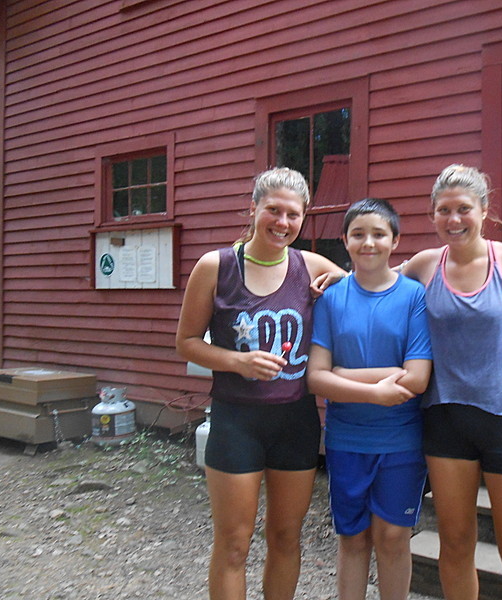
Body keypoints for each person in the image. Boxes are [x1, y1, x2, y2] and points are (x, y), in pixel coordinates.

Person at [175, 167, 344, 600]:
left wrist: (343, 280)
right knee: (233, 545)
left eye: (293, 214)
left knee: (286, 539)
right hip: (237, 422)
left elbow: (373, 282)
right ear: (253, 209)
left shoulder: (313, 266)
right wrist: (237, 361)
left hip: (297, 421)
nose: (282, 223)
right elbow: (187, 343)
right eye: (273, 210)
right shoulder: (216, 267)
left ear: (304, 218)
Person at [402, 164, 502, 600]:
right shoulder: (424, 265)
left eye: (464, 209)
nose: (454, 220)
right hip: (445, 420)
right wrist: (325, 277)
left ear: (484, 211)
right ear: (432, 215)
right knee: (454, 544)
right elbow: (373, 285)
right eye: (444, 210)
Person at [306, 198, 433, 600]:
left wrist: (342, 375)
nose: (369, 243)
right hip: (347, 439)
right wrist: (375, 390)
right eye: (358, 234)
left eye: (379, 234)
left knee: (394, 536)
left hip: (401, 440)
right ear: (344, 240)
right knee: (353, 538)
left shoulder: (414, 296)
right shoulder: (331, 299)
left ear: (395, 240)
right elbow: (315, 378)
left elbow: (416, 377)